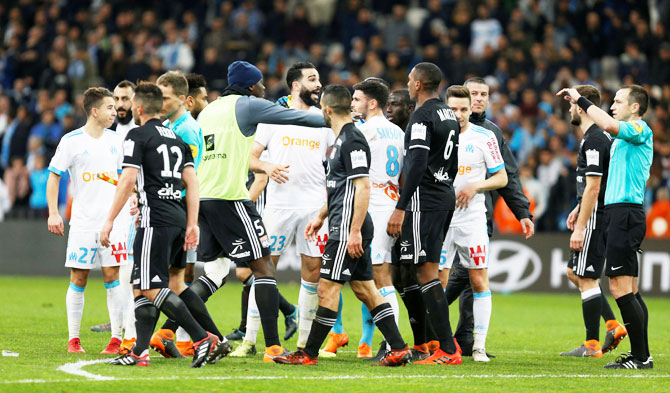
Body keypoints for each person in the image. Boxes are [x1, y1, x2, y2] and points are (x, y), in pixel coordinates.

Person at [195, 61, 327, 362]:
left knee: (215, 272)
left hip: (203, 198)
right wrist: (336, 119)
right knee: (263, 268)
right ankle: (273, 347)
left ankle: (174, 331)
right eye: (260, 83)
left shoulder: (209, 111)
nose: (265, 88)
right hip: (230, 197)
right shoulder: (248, 106)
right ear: (251, 86)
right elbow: (295, 116)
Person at [273, 84, 410, 366]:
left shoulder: (352, 140)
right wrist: (322, 215)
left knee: (327, 289)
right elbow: (341, 187)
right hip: (343, 223)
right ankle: (398, 347)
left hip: (348, 227)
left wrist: (355, 230)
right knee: (365, 290)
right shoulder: (341, 140)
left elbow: (362, 187)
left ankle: (308, 353)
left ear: (327, 109)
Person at [101, 82, 221, 368]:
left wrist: (108, 220)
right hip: (179, 219)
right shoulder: (177, 140)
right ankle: (139, 351)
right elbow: (192, 183)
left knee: (152, 288)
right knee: (143, 286)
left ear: (138, 108)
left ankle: (201, 338)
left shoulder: (136, 136)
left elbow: (128, 180)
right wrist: (192, 223)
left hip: (154, 220)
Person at [232, 62, 330, 357]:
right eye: (312, 79)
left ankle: (302, 344)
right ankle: (249, 341)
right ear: (296, 85)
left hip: (314, 207)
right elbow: (248, 158)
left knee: (312, 273)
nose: (319, 84)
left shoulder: (323, 120)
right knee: (262, 270)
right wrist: (267, 166)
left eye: (319, 78)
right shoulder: (272, 119)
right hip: (279, 207)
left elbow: (335, 160)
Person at [558, 84, 653, 369]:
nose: (613, 105)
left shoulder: (639, 129)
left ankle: (640, 356)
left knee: (620, 288)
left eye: (618, 101)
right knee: (631, 291)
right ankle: (642, 354)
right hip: (617, 212)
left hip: (626, 213)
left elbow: (610, 124)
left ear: (635, 107)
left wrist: (580, 100)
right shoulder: (621, 141)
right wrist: (579, 207)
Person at [444, 77, 535, 357]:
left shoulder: (490, 134)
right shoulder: (440, 128)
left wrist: (522, 212)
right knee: (450, 278)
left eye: (483, 94)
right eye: (474, 93)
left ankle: (466, 340)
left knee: (473, 279)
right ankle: (441, 335)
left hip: (476, 217)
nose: (479, 99)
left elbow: (508, 176)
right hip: (442, 216)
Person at [148, 70, 232, 359]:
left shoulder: (186, 130)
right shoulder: (171, 125)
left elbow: (188, 175)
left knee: (154, 282)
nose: (160, 102)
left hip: (176, 209)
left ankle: (140, 341)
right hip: (173, 208)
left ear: (183, 99)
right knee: (175, 283)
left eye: (166, 97)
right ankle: (212, 339)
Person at [386, 62, 462, 366]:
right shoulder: (449, 114)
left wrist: (400, 208)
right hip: (444, 194)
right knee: (423, 270)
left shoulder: (421, 116)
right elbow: (451, 162)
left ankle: (447, 349)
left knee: (425, 271)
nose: (406, 84)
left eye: (409, 80)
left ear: (418, 85)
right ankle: (436, 344)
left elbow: (416, 164)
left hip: (424, 199)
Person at [46, 87, 129, 355]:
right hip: (83, 222)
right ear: (94, 111)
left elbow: (123, 181)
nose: (114, 112)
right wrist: (54, 212)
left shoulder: (117, 141)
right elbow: (54, 176)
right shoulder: (71, 141)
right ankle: (73, 340)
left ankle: (116, 338)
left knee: (112, 276)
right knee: (78, 277)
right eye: (109, 107)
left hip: (113, 222)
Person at [440, 85, 508, 362]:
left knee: (479, 280)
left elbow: (501, 177)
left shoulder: (484, 137)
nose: (459, 114)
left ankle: (478, 346)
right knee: (437, 282)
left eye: (464, 109)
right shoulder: (436, 134)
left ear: (472, 109)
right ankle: (439, 344)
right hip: (441, 219)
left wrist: (475, 186)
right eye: (453, 109)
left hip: (472, 219)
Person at [560, 85, 626, 359]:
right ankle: (612, 325)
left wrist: (581, 225)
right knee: (574, 273)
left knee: (585, 276)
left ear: (581, 107)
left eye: (571, 105)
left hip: (597, 218)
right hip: (593, 213)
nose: (569, 110)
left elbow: (594, 188)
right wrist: (578, 207)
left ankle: (592, 345)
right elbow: (591, 186)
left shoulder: (596, 139)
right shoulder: (592, 138)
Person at [350, 79, 404, 359]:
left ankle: (391, 342)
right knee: (374, 275)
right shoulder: (397, 131)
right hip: (391, 198)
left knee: (380, 275)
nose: (353, 103)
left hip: (374, 200)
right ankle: (386, 339)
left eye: (357, 99)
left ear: (372, 103)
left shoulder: (364, 130)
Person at [89, 80, 139, 356]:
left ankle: (129, 330)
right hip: (115, 210)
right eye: (116, 100)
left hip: (134, 209)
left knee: (129, 271)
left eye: (125, 99)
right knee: (121, 271)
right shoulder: (113, 132)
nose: (120, 105)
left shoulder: (138, 131)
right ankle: (121, 326)